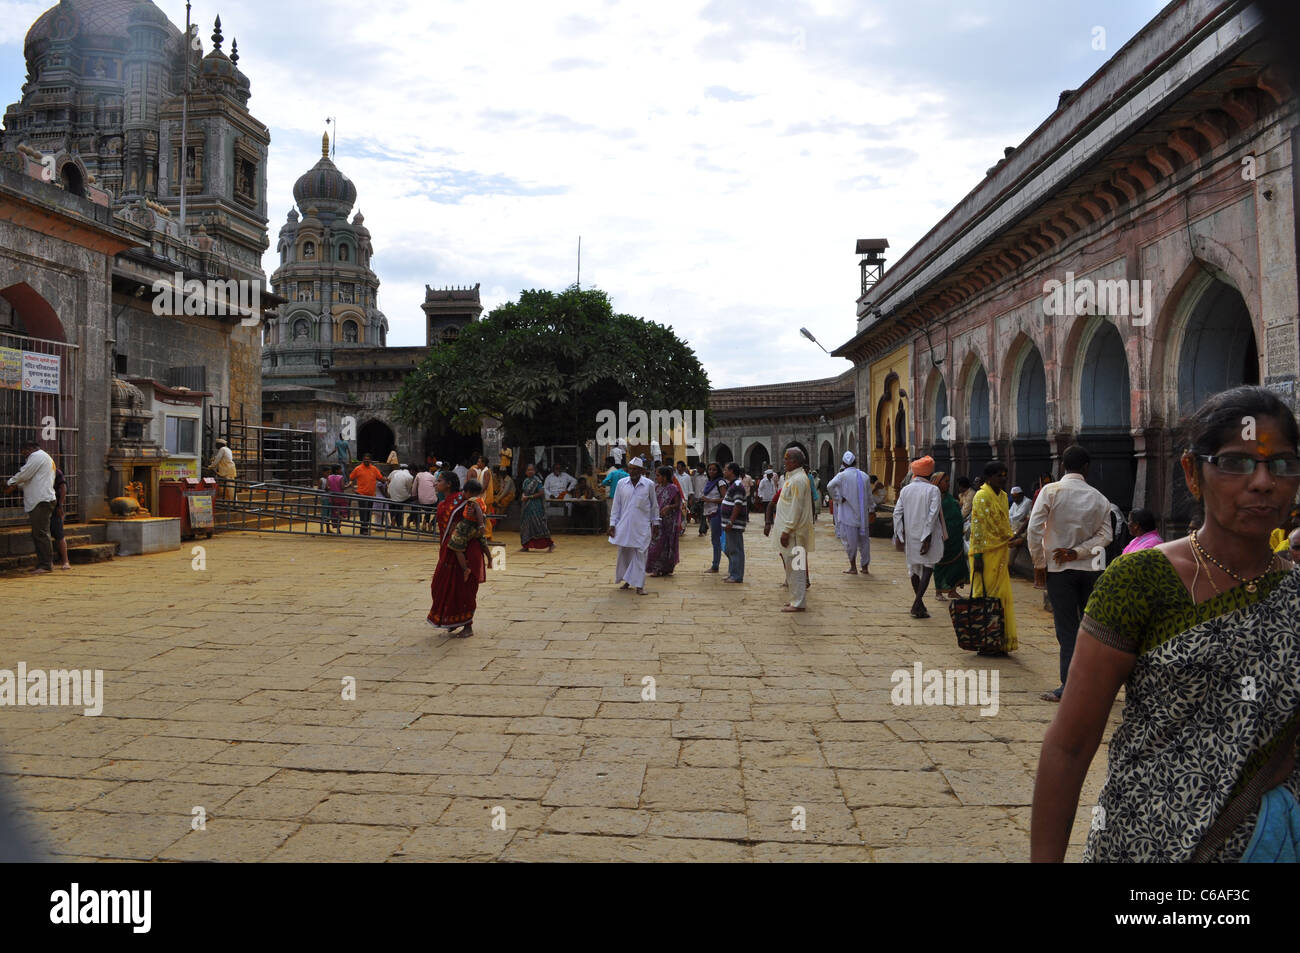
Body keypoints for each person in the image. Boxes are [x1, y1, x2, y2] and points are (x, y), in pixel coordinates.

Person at [1031, 385, 1300, 863]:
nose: (1263, 482)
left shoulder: (1294, 593)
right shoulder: (1140, 581)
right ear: (1192, 472)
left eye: (1280, 463)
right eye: (1237, 462)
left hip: (1269, 843)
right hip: (1144, 844)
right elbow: (1070, 747)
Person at [1026, 445, 1114, 702]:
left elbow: (1034, 530)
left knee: (1066, 629)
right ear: (1086, 468)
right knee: (1091, 627)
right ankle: (1094, 683)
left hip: (1058, 569)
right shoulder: (1099, 497)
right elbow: (1106, 535)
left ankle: (1069, 686)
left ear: (1062, 465)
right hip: (1090, 569)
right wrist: (1079, 552)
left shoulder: (1050, 492)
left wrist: (1039, 563)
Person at [969, 460, 1021, 655]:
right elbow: (978, 528)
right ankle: (984, 642)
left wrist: (1013, 538)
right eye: (999, 475)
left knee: (1001, 596)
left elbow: (1004, 525)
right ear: (989, 478)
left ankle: (1000, 641)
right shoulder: (981, 496)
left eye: (1005, 475)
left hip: (1000, 551)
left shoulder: (1004, 496)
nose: (1003, 478)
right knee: (985, 597)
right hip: (984, 553)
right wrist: (979, 556)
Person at [427, 478, 489, 638]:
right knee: (440, 586)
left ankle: (468, 625)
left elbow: (479, 515)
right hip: (449, 550)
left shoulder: (465, 500)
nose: (436, 483)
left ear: (448, 484)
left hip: (467, 547)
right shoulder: (444, 503)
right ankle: (450, 619)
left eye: (439, 480)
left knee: (464, 589)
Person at [893, 456, 946, 619]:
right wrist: (927, 537)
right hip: (927, 537)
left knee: (914, 570)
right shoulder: (933, 490)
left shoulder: (905, 490)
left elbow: (896, 513)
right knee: (928, 568)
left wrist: (900, 535)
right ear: (929, 474)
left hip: (911, 535)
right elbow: (933, 514)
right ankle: (917, 603)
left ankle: (919, 605)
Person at [608, 457, 661, 595]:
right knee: (625, 554)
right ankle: (627, 580)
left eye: (636, 469)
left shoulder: (649, 484)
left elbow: (654, 506)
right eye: (630, 468)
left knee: (641, 553)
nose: (632, 471)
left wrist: (656, 523)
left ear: (642, 470)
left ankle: (639, 585)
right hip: (624, 525)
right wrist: (612, 524)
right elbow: (616, 506)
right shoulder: (621, 484)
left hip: (642, 526)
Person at [771, 448, 814, 612]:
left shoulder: (798, 480)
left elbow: (796, 508)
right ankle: (795, 599)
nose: (784, 462)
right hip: (791, 531)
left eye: (787, 459)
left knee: (796, 568)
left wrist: (787, 530)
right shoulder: (793, 478)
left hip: (794, 533)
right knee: (791, 567)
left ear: (795, 462)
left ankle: (798, 602)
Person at [6, 438, 56, 574]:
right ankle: (44, 563)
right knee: (39, 533)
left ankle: (45, 565)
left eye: (24, 453)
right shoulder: (44, 457)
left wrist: (10, 483)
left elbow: (24, 473)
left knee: (40, 533)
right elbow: (30, 480)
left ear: (29, 449)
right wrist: (17, 485)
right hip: (42, 499)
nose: (24, 456)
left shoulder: (37, 456)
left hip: (41, 501)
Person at [827, 451, 873, 575]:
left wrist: (838, 498)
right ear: (855, 462)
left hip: (848, 516)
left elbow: (829, 486)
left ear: (843, 463)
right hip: (863, 517)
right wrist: (872, 509)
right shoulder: (864, 476)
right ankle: (865, 567)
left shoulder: (841, 476)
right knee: (864, 542)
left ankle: (853, 567)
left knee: (849, 542)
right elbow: (869, 496)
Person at [931, 471, 969, 599]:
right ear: (937, 482)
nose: (948, 484)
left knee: (956, 564)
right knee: (940, 564)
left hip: (955, 538)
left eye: (948, 481)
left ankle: (952, 590)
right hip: (941, 537)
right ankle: (939, 591)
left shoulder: (951, 499)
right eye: (945, 481)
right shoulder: (933, 499)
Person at [646, 465, 684, 577]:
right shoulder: (656, 488)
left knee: (666, 544)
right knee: (655, 544)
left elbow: (678, 504)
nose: (656, 478)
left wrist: (669, 507)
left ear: (664, 477)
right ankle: (656, 567)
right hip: (657, 520)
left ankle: (665, 567)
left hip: (669, 521)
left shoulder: (673, 488)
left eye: (658, 475)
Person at [720, 462, 749, 583]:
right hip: (730, 524)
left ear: (731, 471)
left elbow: (738, 504)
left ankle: (736, 575)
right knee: (730, 548)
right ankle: (733, 572)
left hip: (734, 524)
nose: (724, 471)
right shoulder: (732, 485)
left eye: (726, 469)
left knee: (735, 549)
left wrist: (731, 522)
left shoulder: (737, 485)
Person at [518, 463, 554, 552]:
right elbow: (524, 491)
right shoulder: (525, 481)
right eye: (528, 470)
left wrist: (529, 497)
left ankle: (550, 544)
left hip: (536, 506)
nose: (530, 472)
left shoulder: (537, 481)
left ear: (535, 471)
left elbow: (541, 492)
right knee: (526, 526)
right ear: (526, 472)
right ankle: (526, 545)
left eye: (532, 470)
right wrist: (523, 496)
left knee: (539, 525)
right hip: (527, 507)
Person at [700, 462, 727, 573]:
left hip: (717, 512)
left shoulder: (720, 482)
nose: (711, 472)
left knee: (716, 540)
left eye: (714, 470)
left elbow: (725, 498)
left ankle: (715, 565)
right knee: (716, 539)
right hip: (711, 513)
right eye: (710, 469)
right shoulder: (709, 482)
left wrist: (709, 500)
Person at [348, 453, 383, 536]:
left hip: (371, 495)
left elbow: (380, 478)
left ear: (370, 460)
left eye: (368, 459)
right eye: (365, 459)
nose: (366, 460)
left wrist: (387, 479)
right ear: (363, 460)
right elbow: (351, 478)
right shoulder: (358, 468)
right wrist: (354, 489)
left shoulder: (374, 469)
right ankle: (364, 529)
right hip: (361, 494)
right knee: (363, 512)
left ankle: (365, 528)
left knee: (368, 512)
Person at [387, 463, 414, 529]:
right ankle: (399, 523)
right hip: (401, 496)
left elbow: (388, 480)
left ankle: (393, 517)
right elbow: (408, 488)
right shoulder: (410, 476)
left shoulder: (394, 472)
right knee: (400, 505)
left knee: (393, 506)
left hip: (391, 493)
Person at [412, 464, 438, 530]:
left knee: (417, 505)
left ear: (420, 469)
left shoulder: (418, 475)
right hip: (432, 501)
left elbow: (414, 488)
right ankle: (429, 522)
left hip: (422, 500)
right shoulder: (432, 476)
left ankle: (420, 522)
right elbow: (436, 488)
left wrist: (414, 496)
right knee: (435, 507)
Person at [326, 465, 347, 534]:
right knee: (341, 511)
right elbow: (342, 487)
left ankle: (337, 527)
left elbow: (327, 487)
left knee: (333, 513)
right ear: (337, 470)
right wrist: (349, 485)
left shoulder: (329, 477)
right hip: (340, 497)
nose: (341, 471)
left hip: (332, 498)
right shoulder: (341, 477)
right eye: (340, 469)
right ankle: (339, 524)